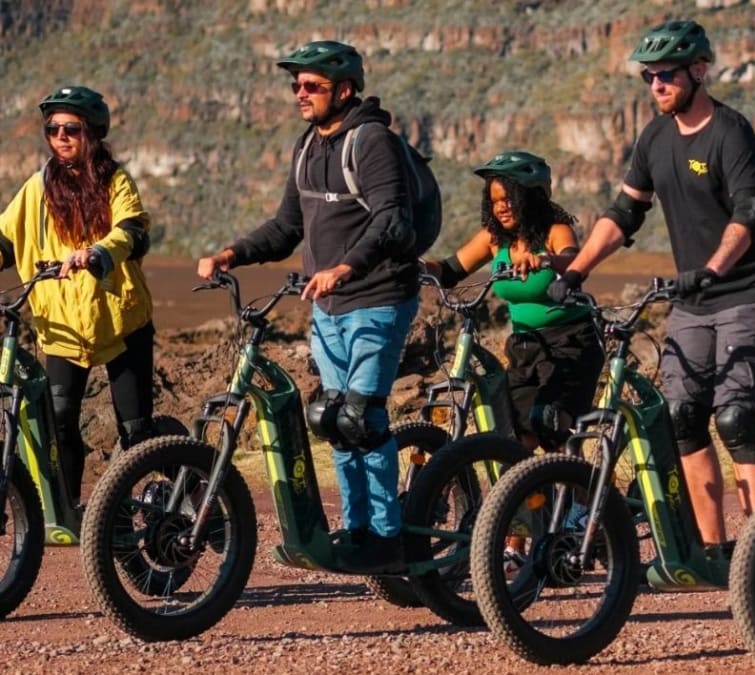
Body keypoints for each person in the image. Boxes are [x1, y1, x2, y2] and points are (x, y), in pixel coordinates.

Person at [548, 19, 755, 556]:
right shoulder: (655, 138)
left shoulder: (730, 131)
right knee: (682, 418)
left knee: (736, 419)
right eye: (648, 76)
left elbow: (750, 211)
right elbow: (624, 211)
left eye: (665, 75)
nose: (655, 85)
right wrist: (575, 271)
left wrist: (716, 266)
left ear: (698, 71)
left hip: (746, 289)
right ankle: (714, 554)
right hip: (690, 298)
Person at [197, 40, 418, 573]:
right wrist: (232, 253)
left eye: (311, 86)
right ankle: (358, 529)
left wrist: (346, 267)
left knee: (363, 418)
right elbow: (287, 227)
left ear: (343, 90)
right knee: (332, 420)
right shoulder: (307, 146)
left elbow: (392, 220)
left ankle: (389, 538)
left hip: (378, 298)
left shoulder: (371, 143)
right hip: (329, 306)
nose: (300, 93)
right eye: (295, 85)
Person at [0, 85, 156, 506]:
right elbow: (5, 240)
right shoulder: (36, 189)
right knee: (61, 423)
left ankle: (180, 488)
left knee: (136, 430)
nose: (61, 137)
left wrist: (99, 251)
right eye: (53, 129)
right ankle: (68, 514)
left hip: (121, 321)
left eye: (71, 128)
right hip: (63, 328)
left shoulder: (115, 180)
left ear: (93, 132)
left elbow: (132, 230)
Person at [422, 151, 604, 453]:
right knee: (518, 436)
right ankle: (528, 498)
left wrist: (544, 259)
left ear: (531, 196)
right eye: (494, 201)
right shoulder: (494, 239)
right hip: (525, 347)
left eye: (509, 198)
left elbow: (574, 261)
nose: (501, 207)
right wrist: (414, 266)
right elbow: (450, 269)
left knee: (550, 426)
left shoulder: (555, 231)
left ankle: (581, 499)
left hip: (571, 345)